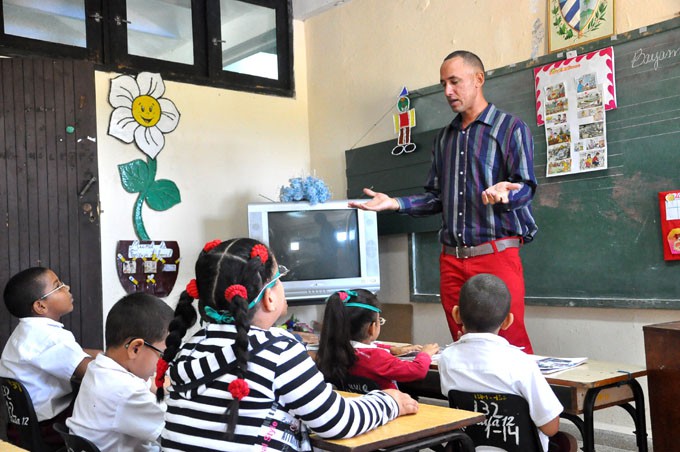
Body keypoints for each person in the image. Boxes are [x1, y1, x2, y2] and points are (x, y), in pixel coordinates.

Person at [349, 50, 537, 353]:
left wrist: (506, 195)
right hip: (451, 261)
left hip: (495, 256)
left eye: (454, 82)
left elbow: (527, 187)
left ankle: (519, 402)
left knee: (509, 349)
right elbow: (436, 198)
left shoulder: (510, 128)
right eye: (443, 84)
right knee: (464, 348)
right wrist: (394, 203)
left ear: (478, 79)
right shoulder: (444, 138)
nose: (448, 92)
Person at [157, 238, 418, 451]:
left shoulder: (189, 348)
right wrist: (390, 401)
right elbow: (338, 421)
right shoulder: (278, 348)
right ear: (269, 297)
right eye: (279, 277)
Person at [438, 274, 567, 452]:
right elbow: (550, 427)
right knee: (567, 442)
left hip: (470, 447)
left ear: (456, 314)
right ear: (507, 321)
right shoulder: (521, 362)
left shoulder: (447, 358)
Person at [0, 267, 100, 449]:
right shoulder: (49, 336)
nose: (67, 287)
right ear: (40, 306)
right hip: (51, 429)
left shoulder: (25, 333)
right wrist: (121, 363)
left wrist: (107, 354)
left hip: (22, 428)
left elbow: (74, 353)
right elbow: (92, 371)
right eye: (59, 286)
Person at [66, 292, 174, 451]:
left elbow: (149, 383)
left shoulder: (100, 367)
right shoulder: (126, 392)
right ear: (135, 348)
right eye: (164, 354)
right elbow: (175, 427)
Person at [316, 289, 439, 390]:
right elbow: (416, 371)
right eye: (379, 321)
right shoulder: (376, 357)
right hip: (388, 409)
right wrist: (425, 354)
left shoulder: (332, 350)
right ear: (372, 328)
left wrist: (392, 349)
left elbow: (373, 345)